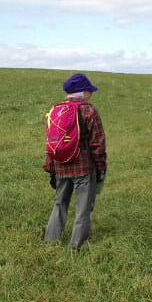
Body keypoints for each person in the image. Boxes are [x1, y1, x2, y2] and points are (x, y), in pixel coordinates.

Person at [43, 73, 107, 249]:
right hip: (83, 168)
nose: (91, 94)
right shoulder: (89, 110)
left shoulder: (56, 110)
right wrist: (101, 166)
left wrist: (51, 168)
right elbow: (98, 142)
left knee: (59, 203)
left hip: (60, 165)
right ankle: (77, 246)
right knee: (83, 207)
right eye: (89, 91)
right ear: (83, 92)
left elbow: (51, 142)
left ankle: (50, 240)